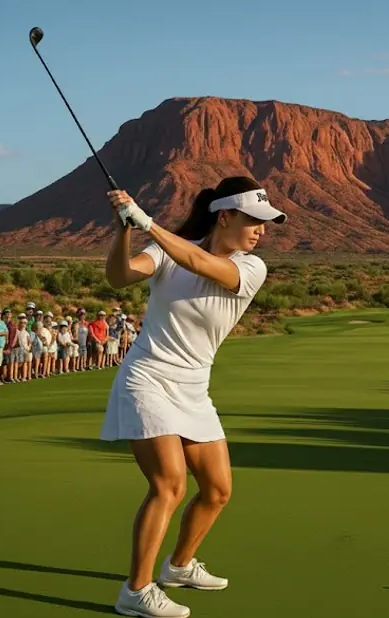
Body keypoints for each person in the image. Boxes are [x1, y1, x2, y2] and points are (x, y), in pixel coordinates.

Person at [101, 176, 285, 618]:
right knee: (169, 484)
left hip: (193, 388)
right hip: (147, 379)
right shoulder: (166, 251)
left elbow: (201, 264)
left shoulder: (250, 267)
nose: (262, 230)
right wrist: (125, 227)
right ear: (226, 216)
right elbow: (120, 277)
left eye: (266, 222)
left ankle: (179, 566)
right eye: (254, 220)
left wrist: (147, 221)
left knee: (218, 490)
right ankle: (136, 591)